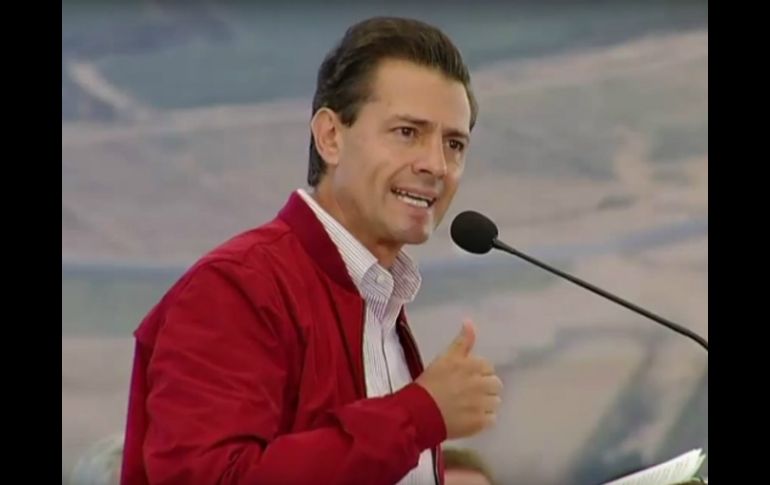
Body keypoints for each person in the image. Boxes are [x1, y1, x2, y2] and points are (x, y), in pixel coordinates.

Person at [120, 16, 503, 485]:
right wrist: (417, 415)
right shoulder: (235, 287)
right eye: (407, 132)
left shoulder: (380, 307)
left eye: (454, 144)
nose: (436, 165)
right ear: (330, 137)